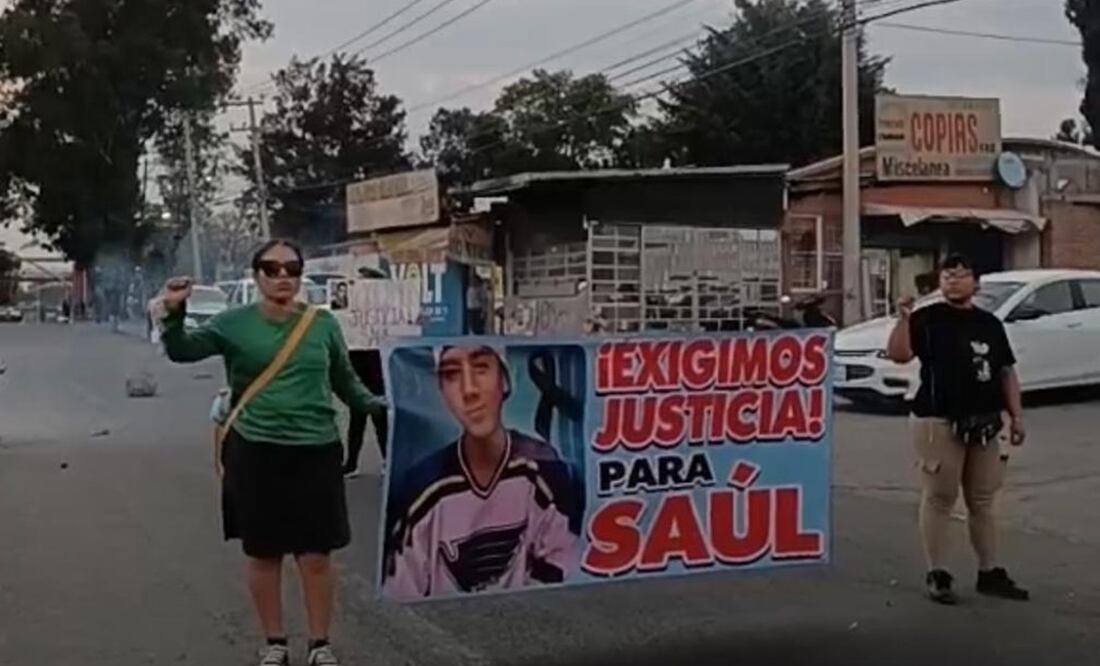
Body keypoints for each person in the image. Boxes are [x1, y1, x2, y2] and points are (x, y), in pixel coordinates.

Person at [157, 239, 386, 666]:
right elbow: (183, 350)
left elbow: (346, 381)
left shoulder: (322, 325)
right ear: (256, 274)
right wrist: (173, 312)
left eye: (292, 269)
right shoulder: (233, 323)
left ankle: (320, 645)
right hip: (256, 450)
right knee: (264, 552)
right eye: (271, 268)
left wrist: (383, 406)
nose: (283, 277)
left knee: (316, 555)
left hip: (316, 450)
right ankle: (275, 643)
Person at [382, 345, 579, 600]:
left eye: (481, 368)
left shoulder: (544, 469)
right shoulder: (422, 489)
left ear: (505, 380)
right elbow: (400, 590)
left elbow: (564, 556)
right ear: (442, 393)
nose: (469, 390)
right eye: (452, 375)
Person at [886, 254, 1028, 606]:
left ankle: (989, 571)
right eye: (948, 275)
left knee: (983, 499)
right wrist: (903, 319)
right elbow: (899, 355)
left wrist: (1017, 416)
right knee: (939, 497)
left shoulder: (989, 324)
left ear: (975, 283)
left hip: (984, 422)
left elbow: (1006, 371)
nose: (953, 281)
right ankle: (939, 573)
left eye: (962, 275)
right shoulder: (927, 319)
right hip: (937, 420)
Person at [343, 348, 388, 478]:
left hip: (372, 366)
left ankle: (385, 460)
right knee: (358, 421)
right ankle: (352, 463)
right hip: (361, 365)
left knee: (378, 421)